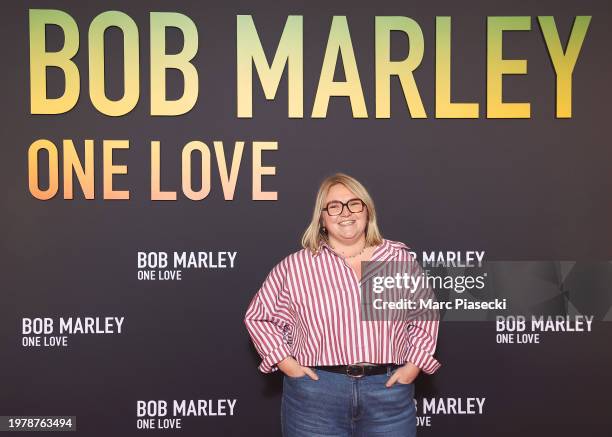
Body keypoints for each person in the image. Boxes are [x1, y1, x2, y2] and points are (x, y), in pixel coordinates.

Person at [244, 173, 440, 437]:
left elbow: (424, 316)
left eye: (354, 204)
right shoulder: (297, 266)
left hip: (387, 392)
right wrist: (287, 364)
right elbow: (259, 317)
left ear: (367, 210)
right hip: (316, 396)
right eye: (334, 206)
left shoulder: (396, 260)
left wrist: (413, 366)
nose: (345, 213)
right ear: (322, 218)